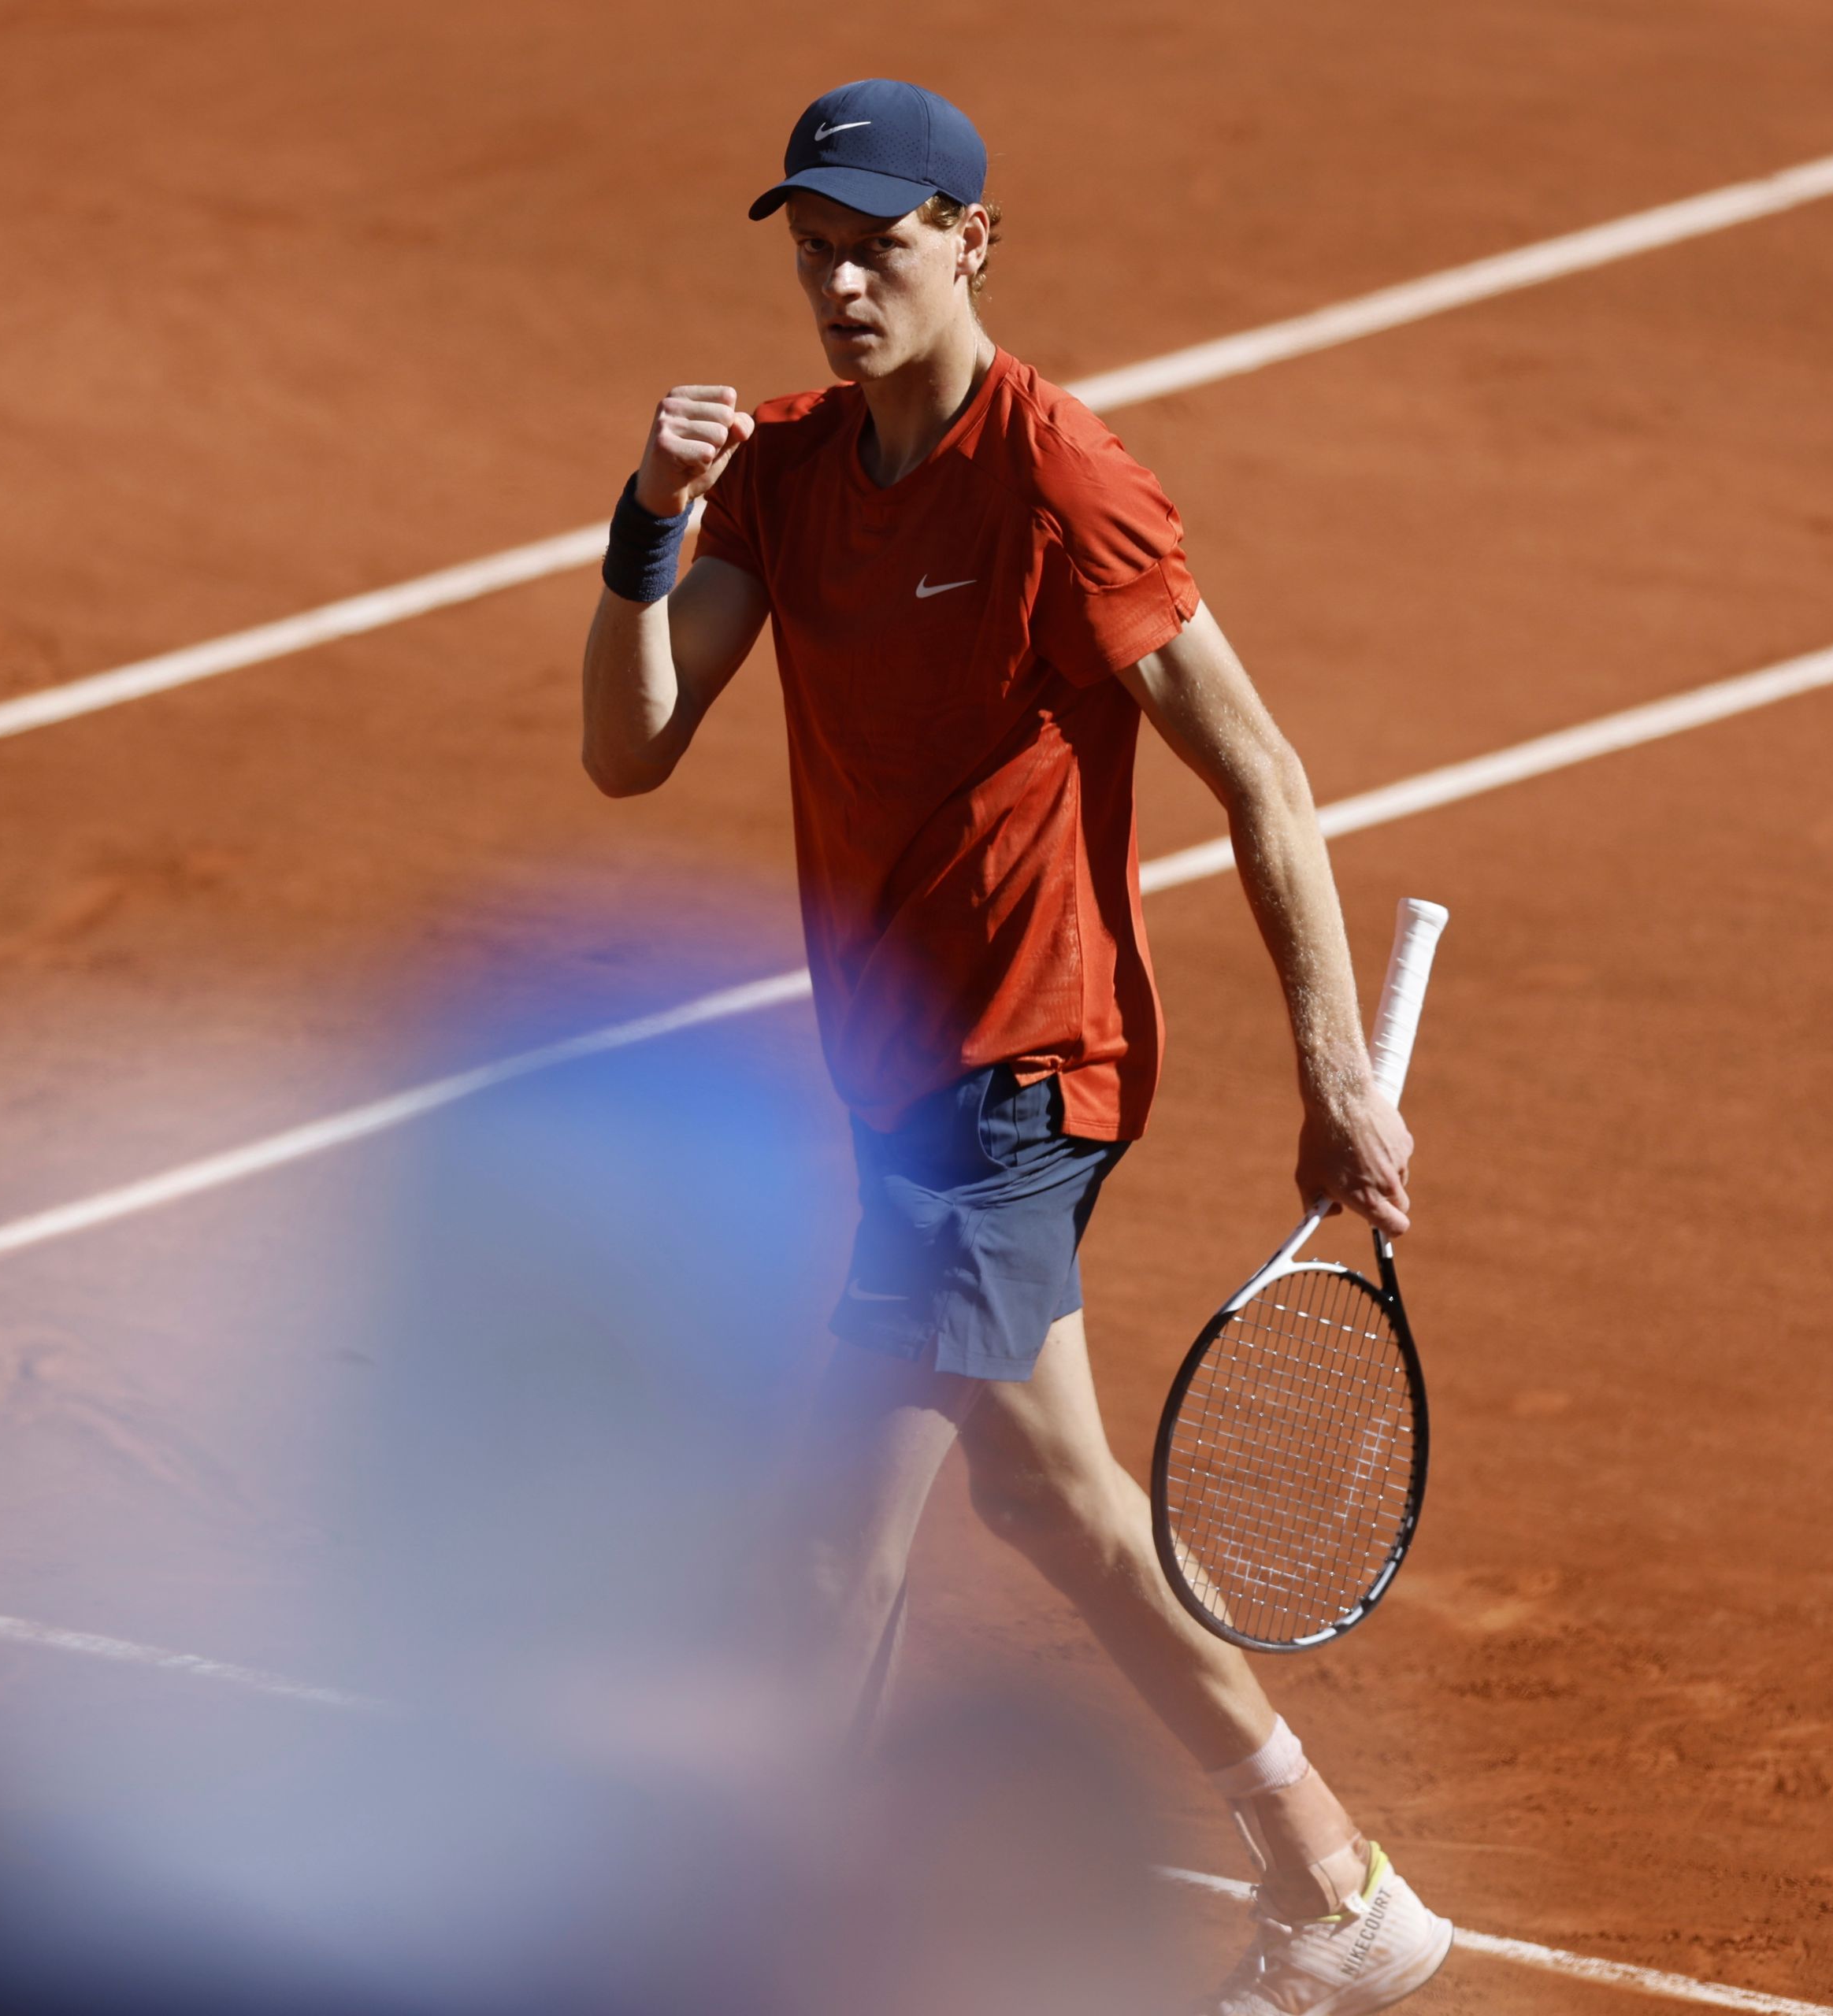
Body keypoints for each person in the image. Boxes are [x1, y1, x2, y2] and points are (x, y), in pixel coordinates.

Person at [576, 78, 1453, 2014]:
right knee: (1043, 1489)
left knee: (830, 1556)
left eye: (879, 240)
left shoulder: (1063, 482)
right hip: (894, 1078)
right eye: (813, 243)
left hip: (1019, 1076)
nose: (839, 279)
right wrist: (650, 525)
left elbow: (1266, 775)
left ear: (975, 238)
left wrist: (1333, 1068)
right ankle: (1340, 1888)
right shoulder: (793, 478)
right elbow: (631, 743)